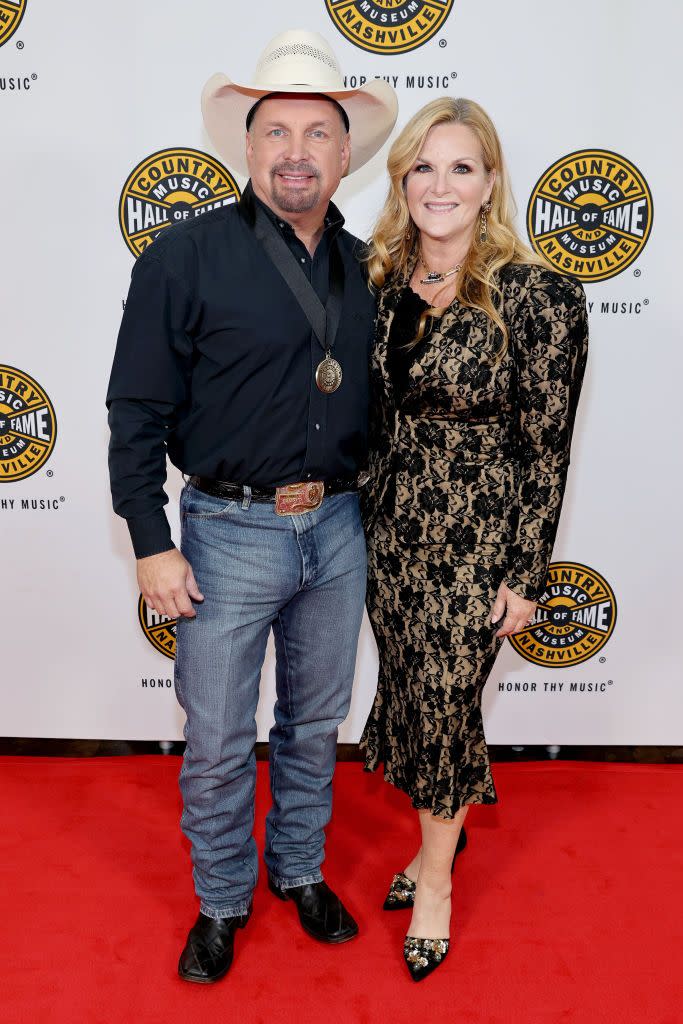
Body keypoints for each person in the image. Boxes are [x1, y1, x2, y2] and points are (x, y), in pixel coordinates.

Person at [106, 30, 397, 984]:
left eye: (318, 132)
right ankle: (223, 901)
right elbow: (136, 409)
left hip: (340, 529)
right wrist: (151, 543)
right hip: (227, 532)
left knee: (315, 725)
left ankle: (301, 871)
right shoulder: (182, 257)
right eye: (277, 131)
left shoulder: (368, 270)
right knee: (222, 738)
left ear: (345, 154)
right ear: (248, 144)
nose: (297, 152)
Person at [359, 97, 588, 981]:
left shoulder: (538, 296)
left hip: (476, 541)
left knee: (449, 705)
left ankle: (434, 889)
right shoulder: (377, 285)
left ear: (490, 182)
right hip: (388, 537)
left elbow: (547, 447)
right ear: (401, 178)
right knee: (416, 696)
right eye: (423, 166)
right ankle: (426, 851)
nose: (440, 185)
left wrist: (524, 571)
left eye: (460, 167)